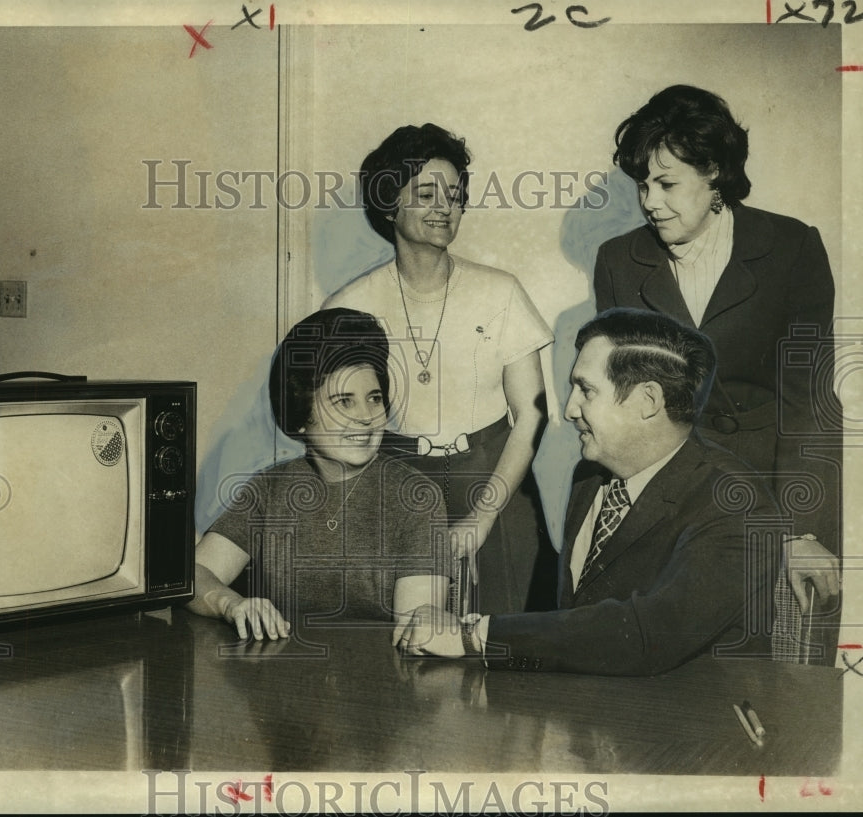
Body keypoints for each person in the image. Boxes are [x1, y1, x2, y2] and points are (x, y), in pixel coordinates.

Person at [398, 308, 781, 676]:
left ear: (648, 401)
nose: (569, 410)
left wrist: (475, 635)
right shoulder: (590, 476)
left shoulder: (737, 504)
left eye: (586, 390)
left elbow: (651, 635)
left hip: (695, 729)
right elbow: (576, 625)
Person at [592, 85, 841, 631]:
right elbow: (619, 408)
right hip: (660, 503)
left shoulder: (791, 248)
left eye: (667, 183)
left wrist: (802, 530)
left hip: (763, 504)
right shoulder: (617, 260)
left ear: (714, 174)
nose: (650, 201)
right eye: (643, 185)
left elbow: (809, 400)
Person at [322, 123, 553, 616]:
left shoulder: (501, 291)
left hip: (495, 482)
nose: (444, 206)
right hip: (397, 484)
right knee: (404, 640)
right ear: (389, 204)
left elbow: (532, 416)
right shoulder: (349, 306)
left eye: (455, 195)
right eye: (427, 193)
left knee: (505, 643)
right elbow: (336, 425)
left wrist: (483, 518)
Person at [186, 307, 450, 640]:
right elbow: (193, 574)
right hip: (283, 679)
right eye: (344, 402)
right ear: (300, 415)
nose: (367, 417)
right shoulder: (270, 487)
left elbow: (416, 631)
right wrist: (231, 604)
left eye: (374, 398)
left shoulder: (415, 496)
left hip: (382, 683)